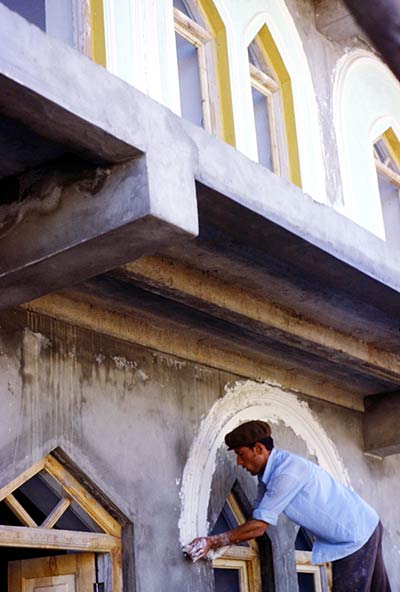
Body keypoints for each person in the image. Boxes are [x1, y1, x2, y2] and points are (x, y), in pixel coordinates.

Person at [185, 420, 391, 592]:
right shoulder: (269, 476)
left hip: (354, 534)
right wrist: (224, 541)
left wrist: (212, 541)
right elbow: (256, 519)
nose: (239, 462)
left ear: (258, 449)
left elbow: (258, 526)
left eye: (241, 454)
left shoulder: (286, 472)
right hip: (366, 524)